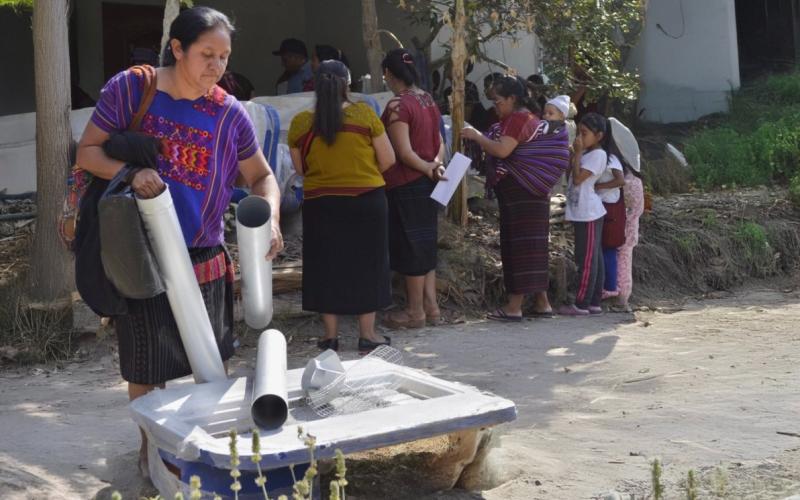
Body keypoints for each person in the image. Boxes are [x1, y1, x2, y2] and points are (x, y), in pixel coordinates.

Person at [75, 6, 284, 475]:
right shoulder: (133, 88)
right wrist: (132, 172)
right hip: (141, 255)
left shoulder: (229, 114)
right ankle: (152, 459)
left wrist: (269, 216)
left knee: (210, 366)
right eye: (206, 54)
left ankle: (208, 457)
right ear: (177, 49)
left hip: (204, 257)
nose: (216, 67)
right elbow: (88, 152)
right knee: (147, 368)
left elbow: (262, 176)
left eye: (224, 57)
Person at [287, 60, 395, 352]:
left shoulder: (300, 123)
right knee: (368, 265)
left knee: (326, 266)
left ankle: (330, 336)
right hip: (366, 202)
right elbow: (388, 160)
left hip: (321, 204)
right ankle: (367, 335)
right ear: (348, 83)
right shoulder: (365, 115)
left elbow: (300, 168)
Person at [462, 76, 568, 321]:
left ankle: (514, 307)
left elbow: (502, 150)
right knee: (534, 246)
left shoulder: (518, 119)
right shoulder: (528, 117)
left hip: (521, 192)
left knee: (518, 246)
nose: (495, 106)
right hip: (532, 193)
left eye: (498, 101)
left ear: (512, 99)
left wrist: (477, 136)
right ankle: (542, 303)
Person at [379, 49, 446, 329]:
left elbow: (403, 153)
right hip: (431, 180)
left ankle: (415, 311)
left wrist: (425, 167)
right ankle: (431, 308)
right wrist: (435, 165)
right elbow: (441, 141)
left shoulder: (398, 105)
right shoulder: (427, 99)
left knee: (411, 248)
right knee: (426, 246)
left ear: (390, 75)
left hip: (407, 184)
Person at [558, 113, 610, 316]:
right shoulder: (586, 153)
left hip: (588, 212)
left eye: (585, 133)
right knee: (593, 257)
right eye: (579, 132)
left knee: (587, 259)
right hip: (581, 211)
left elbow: (579, 179)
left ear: (598, 135)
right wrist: (574, 155)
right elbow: (570, 175)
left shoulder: (598, 155)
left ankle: (582, 303)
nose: (580, 137)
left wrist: (577, 154)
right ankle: (594, 301)